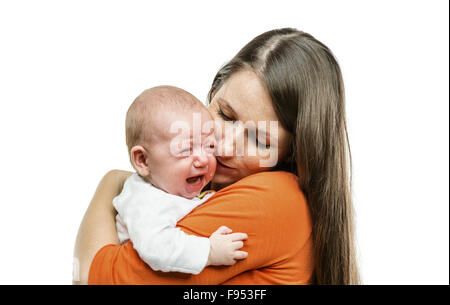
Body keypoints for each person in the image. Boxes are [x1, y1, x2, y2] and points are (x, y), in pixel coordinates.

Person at [74, 28, 360, 285]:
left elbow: (97, 278)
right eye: (224, 114)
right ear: (211, 95)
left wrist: (111, 183)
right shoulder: (198, 189)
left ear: (293, 154)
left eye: (259, 140)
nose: (224, 147)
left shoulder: (275, 199)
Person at [113, 86, 248, 275]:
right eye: (185, 150)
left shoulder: (169, 187)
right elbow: (157, 248)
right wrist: (209, 251)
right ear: (143, 160)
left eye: (209, 146)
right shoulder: (144, 201)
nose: (203, 159)